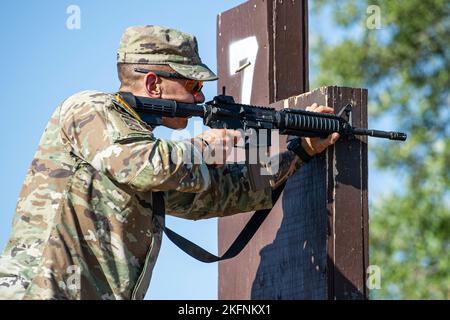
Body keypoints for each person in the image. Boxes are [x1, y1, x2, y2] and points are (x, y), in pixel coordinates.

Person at [0, 25, 339, 300]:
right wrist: (203, 148)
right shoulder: (90, 108)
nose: (200, 98)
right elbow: (146, 166)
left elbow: (224, 195)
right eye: (192, 84)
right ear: (153, 84)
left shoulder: (142, 149)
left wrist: (298, 149)